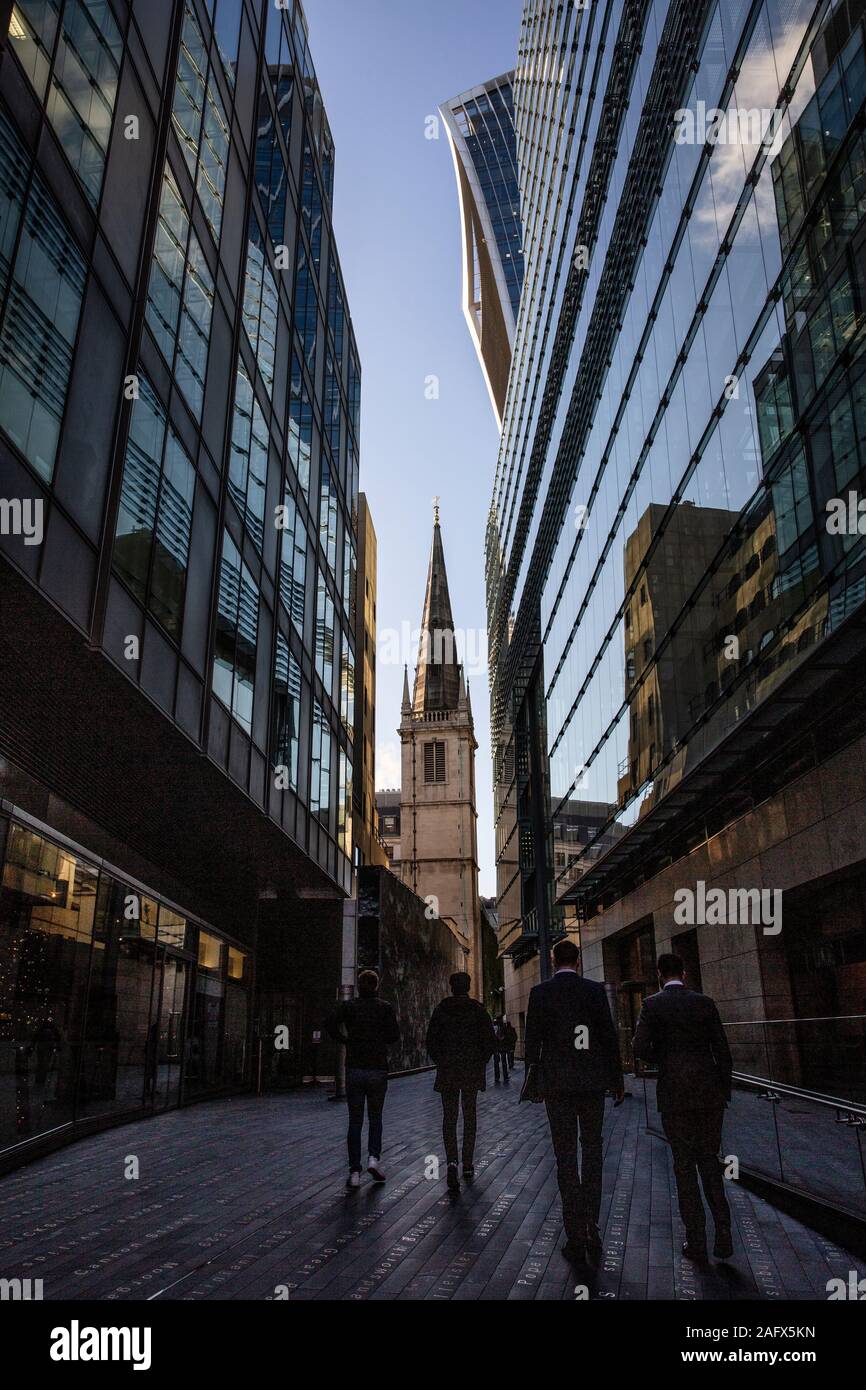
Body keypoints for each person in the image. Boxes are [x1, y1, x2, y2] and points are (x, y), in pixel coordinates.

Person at [525, 939, 624, 1267]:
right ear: (578, 961)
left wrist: (534, 1082)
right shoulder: (593, 992)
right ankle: (592, 1225)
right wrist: (617, 1081)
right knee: (592, 1150)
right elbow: (608, 1037)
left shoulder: (540, 994)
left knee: (565, 1155)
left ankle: (574, 1233)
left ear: (553, 961)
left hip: (557, 1086)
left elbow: (533, 1043)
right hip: (592, 1084)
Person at [633, 953, 733, 1263]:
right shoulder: (705, 1003)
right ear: (684, 973)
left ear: (660, 974)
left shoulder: (652, 1005)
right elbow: (723, 1051)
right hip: (708, 1095)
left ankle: (696, 1239)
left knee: (684, 1167)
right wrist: (723, 1092)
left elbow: (639, 1048)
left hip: (674, 1095)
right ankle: (724, 1232)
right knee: (710, 1162)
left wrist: (663, 1060)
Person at [324, 970, 400, 1189]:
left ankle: (354, 1170)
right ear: (376, 985)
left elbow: (330, 1023)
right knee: (375, 1118)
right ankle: (374, 1159)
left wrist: (345, 1039)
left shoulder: (349, 1007)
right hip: (377, 1069)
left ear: (358, 986)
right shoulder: (385, 1008)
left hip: (355, 1068)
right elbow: (394, 1035)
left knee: (355, 1120)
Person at [426, 973, 497, 1193]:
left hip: (448, 1071)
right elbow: (489, 1042)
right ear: (468, 987)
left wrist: (442, 1061)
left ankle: (452, 1162)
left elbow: (431, 1042)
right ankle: (467, 1163)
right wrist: (479, 1063)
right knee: (470, 1115)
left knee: (449, 1117)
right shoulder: (478, 1010)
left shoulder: (441, 1010)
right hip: (470, 1071)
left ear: (451, 987)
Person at [492, 1016, 510, 1083]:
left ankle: (498, 1077)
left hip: (498, 1047)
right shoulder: (502, 1027)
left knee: (499, 1062)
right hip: (500, 1047)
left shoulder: (496, 1027)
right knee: (502, 1062)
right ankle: (503, 1077)